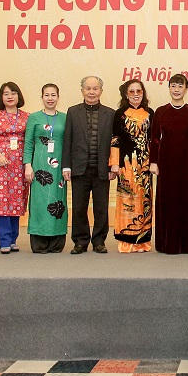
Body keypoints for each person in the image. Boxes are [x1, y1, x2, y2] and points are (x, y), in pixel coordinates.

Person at [150, 74, 188, 254]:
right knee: (167, 203)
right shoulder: (160, 111)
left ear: (186, 89)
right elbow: (155, 139)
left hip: (187, 165)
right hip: (165, 164)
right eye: (173, 86)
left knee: (187, 203)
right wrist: (153, 162)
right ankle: (167, 244)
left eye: (180, 86)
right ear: (169, 88)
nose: (176, 90)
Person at [62, 76, 117, 254]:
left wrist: (113, 166)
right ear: (82, 91)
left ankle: (99, 241)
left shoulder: (110, 113)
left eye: (95, 88)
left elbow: (114, 143)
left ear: (101, 91)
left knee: (101, 208)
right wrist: (66, 166)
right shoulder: (72, 112)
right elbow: (67, 140)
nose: (91, 92)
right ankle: (80, 241)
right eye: (88, 88)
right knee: (79, 208)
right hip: (79, 168)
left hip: (102, 169)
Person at [110, 79, 154, 253]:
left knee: (144, 202)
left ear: (143, 93)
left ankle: (143, 241)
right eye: (132, 91)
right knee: (127, 201)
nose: (136, 94)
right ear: (126, 95)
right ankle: (126, 241)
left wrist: (154, 162)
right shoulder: (120, 114)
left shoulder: (150, 113)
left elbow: (154, 140)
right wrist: (114, 164)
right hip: (125, 166)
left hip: (145, 166)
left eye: (139, 91)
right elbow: (115, 139)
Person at [23, 83, 68, 254]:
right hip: (39, 167)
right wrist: (28, 165)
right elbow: (28, 143)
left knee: (58, 201)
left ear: (58, 97)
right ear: (42, 97)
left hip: (59, 168)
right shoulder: (34, 117)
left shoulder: (65, 118)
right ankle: (39, 242)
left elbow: (69, 143)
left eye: (53, 95)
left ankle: (56, 243)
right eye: (47, 95)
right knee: (40, 202)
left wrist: (68, 167)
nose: (50, 98)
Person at [0, 82, 29, 253]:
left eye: (13, 93)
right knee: (3, 200)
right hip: (2, 163)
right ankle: (4, 240)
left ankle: (13, 239)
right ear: (1, 97)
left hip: (20, 164)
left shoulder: (27, 116)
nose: (10, 96)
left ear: (19, 96)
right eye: (6, 94)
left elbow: (30, 140)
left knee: (17, 200)